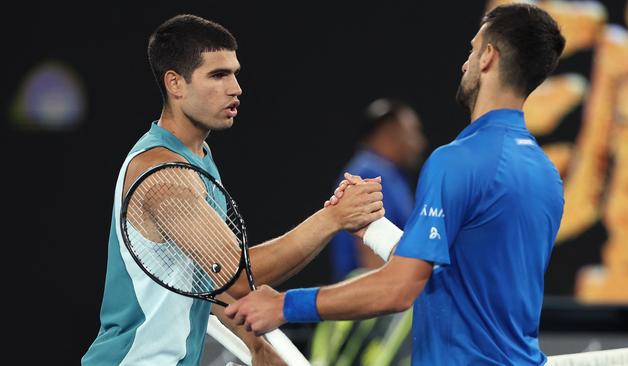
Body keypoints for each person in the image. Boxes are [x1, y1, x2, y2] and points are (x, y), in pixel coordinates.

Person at [225, 4, 566, 365]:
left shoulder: (456, 161)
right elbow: (462, 276)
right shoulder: (547, 175)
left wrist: (283, 305)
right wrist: (372, 230)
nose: (464, 62)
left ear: (488, 58)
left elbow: (399, 289)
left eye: (472, 49)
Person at [81, 14, 385, 366]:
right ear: (175, 84)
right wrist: (334, 217)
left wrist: (256, 346)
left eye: (235, 72)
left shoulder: (198, 157)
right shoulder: (162, 176)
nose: (236, 87)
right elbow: (237, 276)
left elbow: (214, 285)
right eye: (218, 75)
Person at [329, 98, 427, 282]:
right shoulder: (369, 174)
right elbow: (371, 258)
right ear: (389, 133)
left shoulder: (388, 174)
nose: (420, 142)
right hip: (375, 303)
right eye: (413, 133)